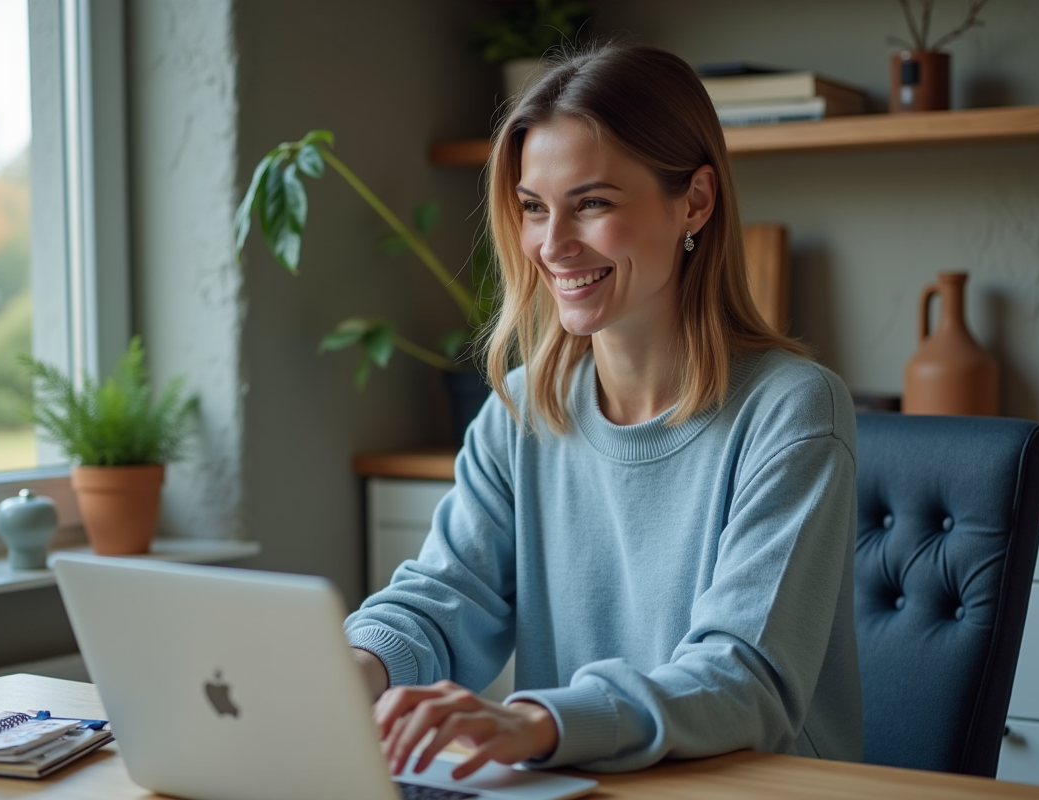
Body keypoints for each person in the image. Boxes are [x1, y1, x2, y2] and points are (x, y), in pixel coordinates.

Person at [345, 42, 862, 778]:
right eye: (532, 209)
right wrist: (352, 668)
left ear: (696, 201)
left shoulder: (792, 410)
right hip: (584, 783)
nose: (551, 246)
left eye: (591, 203)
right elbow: (442, 599)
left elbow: (743, 679)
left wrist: (538, 721)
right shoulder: (523, 409)